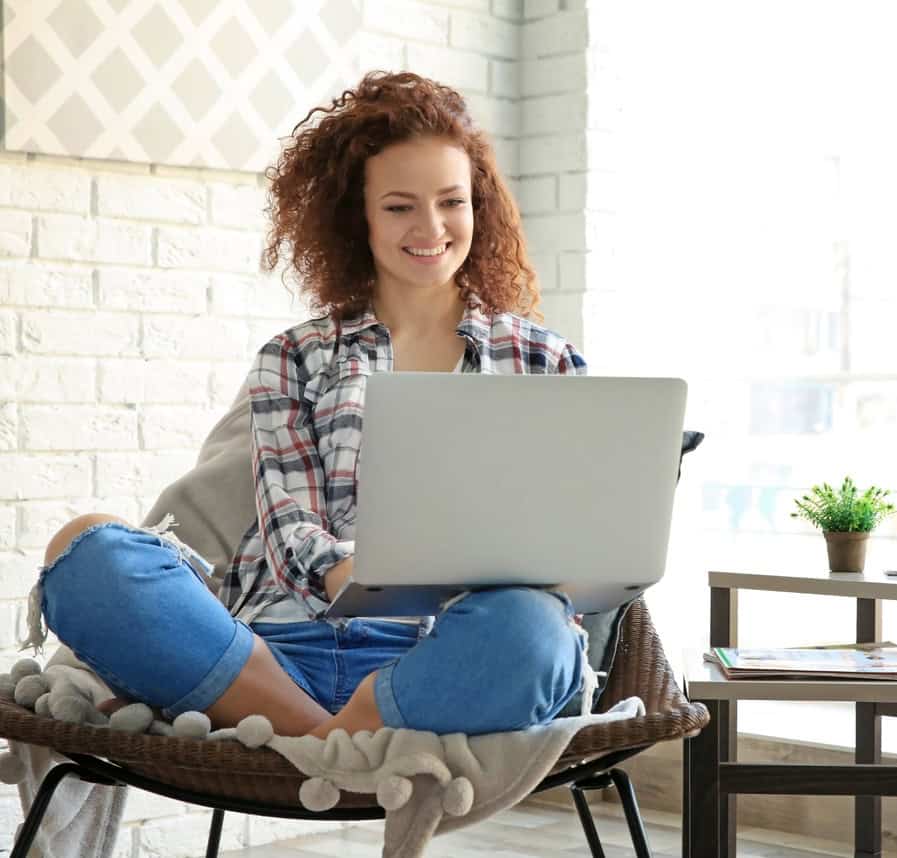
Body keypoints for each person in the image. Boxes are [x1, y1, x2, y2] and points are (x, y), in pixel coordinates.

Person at [36, 71, 594, 739]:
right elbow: (290, 526)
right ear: (356, 217)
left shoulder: (543, 360)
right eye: (398, 206)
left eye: (452, 201)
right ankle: (340, 742)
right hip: (276, 653)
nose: (431, 227)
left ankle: (317, 743)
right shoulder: (294, 356)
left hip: (447, 655)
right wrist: (353, 574)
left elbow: (567, 543)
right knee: (86, 550)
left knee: (535, 629)